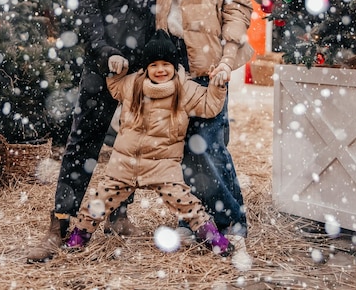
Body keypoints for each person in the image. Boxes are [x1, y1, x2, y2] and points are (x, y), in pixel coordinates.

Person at [27, 0, 166, 262]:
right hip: (103, 58)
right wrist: (103, 49)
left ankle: (119, 214)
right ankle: (59, 224)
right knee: (84, 140)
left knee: (132, 141)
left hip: (145, 60)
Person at [64, 29, 234, 258]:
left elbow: (210, 105)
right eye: (154, 65)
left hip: (163, 166)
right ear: (146, 67)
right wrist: (117, 71)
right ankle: (79, 237)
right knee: (97, 203)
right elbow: (115, 87)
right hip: (124, 164)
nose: (160, 70)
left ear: (174, 65)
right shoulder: (133, 84)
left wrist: (217, 85)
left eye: (166, 64)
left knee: (187, 204)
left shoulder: (185, 89)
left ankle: (213, 238)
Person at [155, 0, 254, 269]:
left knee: (208, 145)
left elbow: (238, 13)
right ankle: (193, 218)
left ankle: (231, 220)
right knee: (183, 147)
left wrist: (228, 61)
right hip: (172, 64)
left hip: (210, 66)